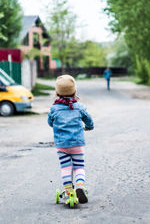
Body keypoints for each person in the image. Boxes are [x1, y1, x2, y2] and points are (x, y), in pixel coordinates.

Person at [47, 75, 94, 204]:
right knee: (79, 167)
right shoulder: (79, 107)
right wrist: (89, 127)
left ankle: (68, 191)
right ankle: (79, 187)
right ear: (74, 91)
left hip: (62, 145)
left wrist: (57, 125)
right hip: (77, 144)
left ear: (57, 92)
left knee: (66, 168)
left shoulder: (54, 108)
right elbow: (89, 120)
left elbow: (50, 123)